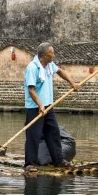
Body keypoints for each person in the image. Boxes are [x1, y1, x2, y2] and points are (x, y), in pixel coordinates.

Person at [24, 42, 79, 172]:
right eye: (51, 53)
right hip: (35, 108)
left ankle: (58, 160)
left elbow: (60, 71)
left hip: (48, 106)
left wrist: (72, 83)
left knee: (53, 133)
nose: (53, 55)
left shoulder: (49, 65)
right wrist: (40, 105)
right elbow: (31, 90)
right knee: (34, 135)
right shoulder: (32, 68)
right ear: (44, 55)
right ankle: (29, 164)